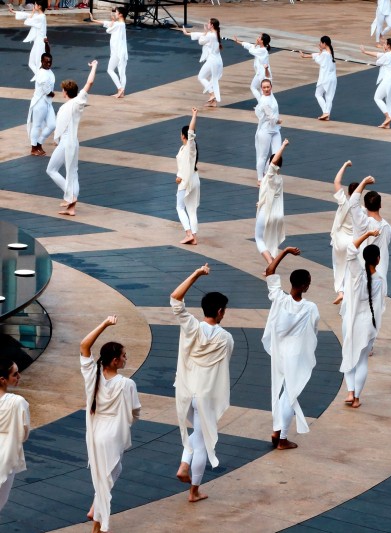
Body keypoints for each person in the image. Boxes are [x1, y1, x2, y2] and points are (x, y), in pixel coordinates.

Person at [171, 264, 234, 503]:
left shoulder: (191, 328)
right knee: (203, 441)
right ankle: (194, 490)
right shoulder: (226, 338)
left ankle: (184, 464)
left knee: (196, 434)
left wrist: (196, 274)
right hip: (205, 397)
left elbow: (176, 298)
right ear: (219, 311)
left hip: (185, 391)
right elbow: (224, 363)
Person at [80, 315, 141, 533]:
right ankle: (98, 525)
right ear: (115, 361)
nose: (126, 359)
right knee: (107, 479)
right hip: (113, 434)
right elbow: (135, 412)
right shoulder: (127, 384)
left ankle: (95, 510)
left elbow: (84, 345)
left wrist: (104, 324)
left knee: (104, 476)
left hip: (94, 434)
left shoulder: (92, 375)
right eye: (123, 356)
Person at [262, 248, 319, 450]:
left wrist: (284, 252)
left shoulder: (279, 298)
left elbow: (269, 271)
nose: (309, 285)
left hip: (279, 352)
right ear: (303, 286)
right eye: (309, 282)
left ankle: (277, 430)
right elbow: (313, 331)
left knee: (281, 391)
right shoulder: (310, 307)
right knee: (290, 394)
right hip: (295, 354)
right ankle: (282, 438)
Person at [340, 229, 385, 409]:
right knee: (362, 361)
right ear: (378, 259)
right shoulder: (379, 279)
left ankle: (350, 391)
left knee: (348, 355)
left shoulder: (356, 273)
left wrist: (367, 235)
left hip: (350, 320)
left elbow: (351, 249)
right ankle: (356, 398)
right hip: (368, 322)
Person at [47, 60, 98, 217]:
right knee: (72, 172)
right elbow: (89, 82)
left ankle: (70, 197)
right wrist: (94, 66)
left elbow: (90, 82)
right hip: (72, 142)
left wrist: (95, 66)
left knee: (52, 169)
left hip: (67, 142)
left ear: (65, 91)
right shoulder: (78, 102)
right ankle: (71, 207)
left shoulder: (74, 103)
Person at [349, 176, 391, 288]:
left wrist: (364, 182)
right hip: (380, 277)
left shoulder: (362, 222)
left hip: (361, 275)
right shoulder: (388, 228)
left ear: (365, 206)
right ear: (380, 205)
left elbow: (353, 202)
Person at [0, 356, 29, 514]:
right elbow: (24, 433)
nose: (19, 377)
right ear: (3, 379)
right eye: (15, 374)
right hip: (6, 455)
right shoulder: (18, 402)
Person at [255, 139, 290, 267]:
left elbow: (274, 161)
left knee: (259, 239)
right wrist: (261, 202)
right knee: (271, 240)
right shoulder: (280, 179)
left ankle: (270, 264)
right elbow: (270, 195)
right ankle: (272, 262)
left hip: (267, 213)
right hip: (276, 214)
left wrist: (283, 146)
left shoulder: (270, 176)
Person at [330, 161, 358, 304]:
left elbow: (336, 181)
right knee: (348, 268)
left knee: (337, 265)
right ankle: (347, 292)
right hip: (352, 241)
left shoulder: (343, 202)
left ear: (348, 192)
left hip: (339, 240)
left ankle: (340, 291)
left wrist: (345, 165)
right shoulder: (361, 210)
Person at [181, 19, 223, 107]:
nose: (207, 24)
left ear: (211, 25)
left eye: (208, 23)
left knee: (201, 77)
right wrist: (188, 33)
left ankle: (212, 94)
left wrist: (205, 32)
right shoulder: (214, 34)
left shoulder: (211, 35)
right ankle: (213, 102)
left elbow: (201, 41)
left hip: (212, 61)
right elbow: (201, 35)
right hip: (217, 61)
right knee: (212, 80)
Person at [360, 39, 391, 128]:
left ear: (388, 46)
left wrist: (383, 51)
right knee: (389, 102)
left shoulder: (387, 55)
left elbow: (378, 62)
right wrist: (365, 52)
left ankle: (388, 117)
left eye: (385, 44)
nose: (383, 44)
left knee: (377, 98)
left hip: (387, 80)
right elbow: (378, 54)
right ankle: (387, 123)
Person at [89, 7, 128, 98]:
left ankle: (120, 89)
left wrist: (112, 21)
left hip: (117, 52)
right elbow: (106, 23)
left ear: (120, 14)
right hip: (121, 52)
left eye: (116, 12)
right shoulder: (121, 24)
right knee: (122, 72)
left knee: (110, 70)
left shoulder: (118, 25)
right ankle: (122, 92)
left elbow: (108, 29)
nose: (115, 14)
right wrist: (94, 20)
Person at [175, 108, 200, 245]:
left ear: (183, 136)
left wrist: (194, 115)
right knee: (191, 209)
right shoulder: (184, 148)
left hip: (187, 182)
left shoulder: (191, 146)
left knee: (180, 207)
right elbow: (182, 166)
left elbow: (191, 132)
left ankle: (188, 233)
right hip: (193, 179)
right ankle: (194, 237)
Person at [300, 36, 337, 121]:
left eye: (320, 43)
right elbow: (318, 55)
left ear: (324, 43)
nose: (319, 44)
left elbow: (318, 58)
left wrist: (305, 56)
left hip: (325, 78)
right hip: (332, 79)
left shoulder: (325, 54)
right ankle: (327, 115)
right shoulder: (329, 53)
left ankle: (326, 112)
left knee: (318, 94)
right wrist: (305, 56)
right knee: (329, 97)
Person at [27, 51, 55, 156]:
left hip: (47, 103)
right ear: (41, 62)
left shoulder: (48, 70)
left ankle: (39, 143)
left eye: (50, 62)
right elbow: (47, 90)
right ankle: (34, 148)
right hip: (39, 103)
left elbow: (47, 51)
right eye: (46, 62)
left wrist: (46, 43)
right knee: (37, 125)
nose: (48, 64)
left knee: (52, 125)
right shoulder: (42, 73)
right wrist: (52, 94)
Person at [9, 0, 47, 76]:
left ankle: (40, 78)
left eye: (35, 4)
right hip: (38, 42)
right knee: (32, 63)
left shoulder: (41, 17)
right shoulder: (40, 15)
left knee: (37, 62)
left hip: (40, 43)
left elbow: (27, 21)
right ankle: (39, 77)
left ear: (39, 6)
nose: (34, 6)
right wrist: (14, 12)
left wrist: (32, 12)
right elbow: (27, 15)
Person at [254, 79, 282, 182]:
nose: (266, 89)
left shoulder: (272, 95)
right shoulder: (264, 101)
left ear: (271, 87)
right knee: (263, 155)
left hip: (275, 130)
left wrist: (266, 68)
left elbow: (267, 76)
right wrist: (279, 121)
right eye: (264, 87)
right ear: (261, 89)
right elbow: (272, 117)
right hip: (266, 130)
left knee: (276, 154)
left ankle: (267, 171)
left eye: (268, 87)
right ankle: (260, 178)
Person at [232, 33, 272, 101]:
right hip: (260, 73)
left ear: (262, 41)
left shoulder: (263, 50)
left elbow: (251, 50)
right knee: (260, 89)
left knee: (255, 88)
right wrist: (238, 41)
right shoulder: (260, 48)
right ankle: (263, 104)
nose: (257, 38)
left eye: (259, 37)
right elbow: (249, 45)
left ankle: (262, 103)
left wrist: (256, 44)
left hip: (263, 73)